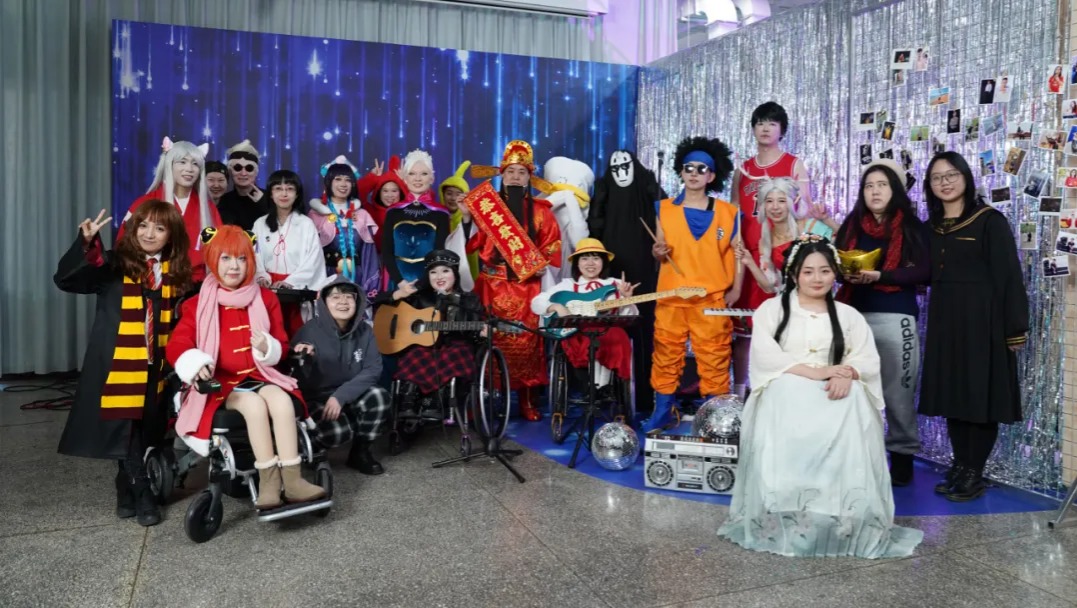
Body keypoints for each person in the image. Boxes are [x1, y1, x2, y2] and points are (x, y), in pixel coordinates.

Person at [717, 235, 923, 558]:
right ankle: (785, 506)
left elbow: (866, 358)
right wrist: (817, 372)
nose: (817, 278)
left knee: (853, 398)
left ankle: (841, 511)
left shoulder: (848, 315)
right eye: (808, 271)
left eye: (825, 271)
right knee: (785, 391)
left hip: (834, 385)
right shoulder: (772, 309)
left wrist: (847, 372)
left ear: (834, 273)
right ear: (794, 274)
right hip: (788, 383)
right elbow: (766, 357)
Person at [166, 225, 327, 509]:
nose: (234, 266)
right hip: (220, 383)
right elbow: (177, 344)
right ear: (213, 259)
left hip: (260, 374)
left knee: (281, 401)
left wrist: (268, 347)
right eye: (226, 258)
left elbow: (281, 344)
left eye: (242, 259)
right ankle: (269, 481)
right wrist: (195, 362)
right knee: (253, 406)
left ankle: (293, 480)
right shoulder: (196, 304)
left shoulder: (265, 298)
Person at [55, 201, 193, 527]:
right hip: (117, 363)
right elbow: (68, 279)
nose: (149, 234)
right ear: (133, 229)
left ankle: (123, 484)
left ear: (171, 235)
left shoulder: (173, 272)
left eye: (159, 228)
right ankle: (142, 490)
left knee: (146, 427)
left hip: (156, 365)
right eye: (143, 225)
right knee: (125, 425)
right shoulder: (114, 264)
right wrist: (87, 243)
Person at [921, 152, 1029, 501]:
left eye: (951, 174)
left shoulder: (989, 221)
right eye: (937, 177)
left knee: (979, 396)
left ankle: (974, 472)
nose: (945, 182)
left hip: (983, 322)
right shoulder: (930, 227)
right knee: (954, 395)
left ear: (966, 177)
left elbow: (1009, 276)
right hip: (945, 323)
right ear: (930, 185)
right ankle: (961, 464)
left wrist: (1015, 327)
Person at [835, 159, 931, 486]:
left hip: (896, 317)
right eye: (869, 186)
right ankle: (855, 454)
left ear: (895, 190)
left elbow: (924, 272)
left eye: (882, 185)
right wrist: (844, 273)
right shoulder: (852, 224)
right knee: (850, 388)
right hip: (853, 316)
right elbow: (836, 263)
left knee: (897, 392)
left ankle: (901, 458)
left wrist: (881, 276)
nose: (875, 191)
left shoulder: (912, 226)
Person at [640, 136, 739, 433]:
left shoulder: (729, 213)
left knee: (714, 356)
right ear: (680, 172)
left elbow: (739, 255)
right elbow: (659, 251)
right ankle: (662, 412)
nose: (694, 173)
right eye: (688, 167)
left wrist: (735, 290)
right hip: (672, 295)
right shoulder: (663, 209)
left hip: (711, 296)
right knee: (666, 355)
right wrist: (657, 252)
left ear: (712, 175)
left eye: (701, 168)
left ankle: (716, 417)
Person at [467, 140, 562, 421]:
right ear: (502, 174)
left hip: (526, 288)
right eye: (511, 171)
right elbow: (472, 243)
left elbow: (553, 244)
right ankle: (484, 399)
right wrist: (466, 219)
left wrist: (542, 263)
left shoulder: (542, 211)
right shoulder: (487, 207)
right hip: (491, 285)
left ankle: (527, 401)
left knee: (527, 345)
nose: (516, 177)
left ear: (530, 176)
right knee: (487, 341)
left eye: (522, 172)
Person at [730, 102, 820, 403]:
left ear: (782, 130)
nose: (765, 128)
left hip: (782, 255)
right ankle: (740, 396)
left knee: (784, 329)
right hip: (749, 257)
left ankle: (782, 393)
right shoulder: (743, 169)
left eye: (772, 123)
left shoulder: (793, 164)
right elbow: (733, 217)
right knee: (745, 332)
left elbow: (804, 210)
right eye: (760, 123)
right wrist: (738, 270)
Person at [587, 149, 667, 414]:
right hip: (610, 269)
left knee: (643, 326)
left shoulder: (647, 189)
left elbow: (666, 214)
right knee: (610, 327)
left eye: (625, 166)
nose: (621, 172)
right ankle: (606, 391)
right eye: (615, 168)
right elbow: (594, 229)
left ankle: (644, 395)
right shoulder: (605, 193)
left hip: (644, 270)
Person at [292, 277, 390, 475]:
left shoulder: (365, 330)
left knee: (379, 397)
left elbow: (373, 369)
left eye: (349, 297)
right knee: (338, 432)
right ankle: (312, 450)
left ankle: (360, 452)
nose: (343, 302)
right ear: (324, 302)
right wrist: (304, 359)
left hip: (348, 393)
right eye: (335, 297)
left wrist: (340, 396)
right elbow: (297, 378)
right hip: (317, 397)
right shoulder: (308, 331)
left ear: (357, 301)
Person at [374, 250, 484, 421]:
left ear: (455, 274)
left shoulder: (469, 300)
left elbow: (475, 334)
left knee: (456, 353)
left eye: (445, 271)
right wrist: (398, 294)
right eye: (433, 272)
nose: (439, 276)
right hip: (423, 348)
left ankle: (434, 400)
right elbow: (376, 304)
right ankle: (408, 398)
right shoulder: (419, 298)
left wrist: (481, 331)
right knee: (415, 354)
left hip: (455, 346)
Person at [531, 238, 637, 391]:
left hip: (609, 331)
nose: (590, 263)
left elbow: (630, 315)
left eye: (596, 258)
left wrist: (627, 299)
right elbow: (536, 303)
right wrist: (555, 306)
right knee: (590, 339)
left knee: (615, 335)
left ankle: (601, 389)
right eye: (585, 258)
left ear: (604, 262)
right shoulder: (567, 285)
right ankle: (594, 388)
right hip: (576, 333)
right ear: (577, 263)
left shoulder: (616, 284)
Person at [117, 137, 221, 283]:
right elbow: (123, 245)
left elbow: (220, 252)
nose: (189, 169)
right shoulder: (144, 203)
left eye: (195, 164)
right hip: (152, 285)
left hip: (198, 287)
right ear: (169, 164)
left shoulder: (208, 208)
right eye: (182, 162)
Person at [252, 170, 326, 337]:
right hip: (267, 287)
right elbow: (254, 256)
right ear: (271, 194)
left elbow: (313, 260)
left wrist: (290, 282)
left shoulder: (306, 224)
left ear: (297, 194)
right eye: (278, 188)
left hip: (295, 288)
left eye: (290, 189)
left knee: (296, 335)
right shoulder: (260, 224)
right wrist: (261, 277)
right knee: (268, 333)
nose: (284, 194)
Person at [307, 156, 380, 296]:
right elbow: (309, 256)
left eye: (348, 180)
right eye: (338, 179)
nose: (343, 184)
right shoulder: (315, 215)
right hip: (325, 278)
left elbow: (370, 256)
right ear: (328, 182)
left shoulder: (362, 215)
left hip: (357, 279)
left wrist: (370, 288)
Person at [381, 149, 450, 290]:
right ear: (405, 178)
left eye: (424, 174)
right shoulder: (393, 212)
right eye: (412, 174)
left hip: (430, 284)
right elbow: (387, 252)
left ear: (432, 178)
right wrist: (400, 282)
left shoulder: (441, 213)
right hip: (398, 284)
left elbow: (440, 254)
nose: (417, 179)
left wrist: (423, 284)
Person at [440, 161, 479, 291]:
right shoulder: (436, 217)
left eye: (458, 194)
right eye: (449, 193)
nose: (453, 198)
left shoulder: (472, 218)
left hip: (465, 276)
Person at [217, 139, 267, 231]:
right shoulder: (223, 202)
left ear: (256, 172)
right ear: (230, 171)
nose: (243, 173)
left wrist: (264, 203)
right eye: (237, 168)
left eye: (249, 168)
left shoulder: (270, 199)